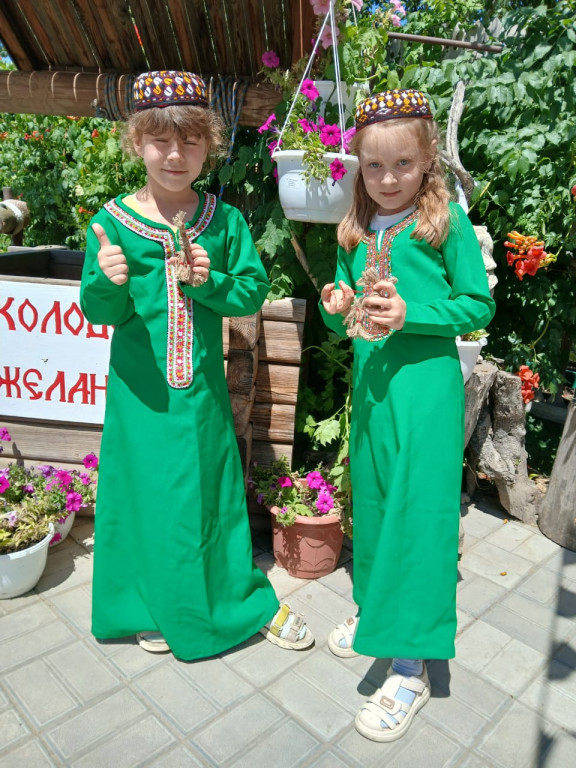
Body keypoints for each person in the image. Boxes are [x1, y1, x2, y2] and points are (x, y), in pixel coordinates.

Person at [80, 71, 313, 660]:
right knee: (147, 496)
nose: (174, 155)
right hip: (141, 397)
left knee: (208, 497)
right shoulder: (110, 223)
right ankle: (146, 605)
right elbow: (99, 311)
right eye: (160, 140)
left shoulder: (224, 221)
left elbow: (250, 292)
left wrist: (210, 283)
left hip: (203, 394)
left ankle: (225, 599)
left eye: (190, 141)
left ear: (209, 145)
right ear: (137, 142)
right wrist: (107, 282)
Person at [320, 89, 495, 742]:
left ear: (427, 162)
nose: (388, 178)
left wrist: (411, 315)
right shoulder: (355, 231)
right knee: (373, 503)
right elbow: (349, 313)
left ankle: (410, 665)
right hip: (372, 393)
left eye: (402, 164)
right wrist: (338, 305)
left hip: (424, 393)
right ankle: (375, 611)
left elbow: (477, 305)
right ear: (359, 168)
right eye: (374, 166)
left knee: (418, 517)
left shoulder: (444, 224)